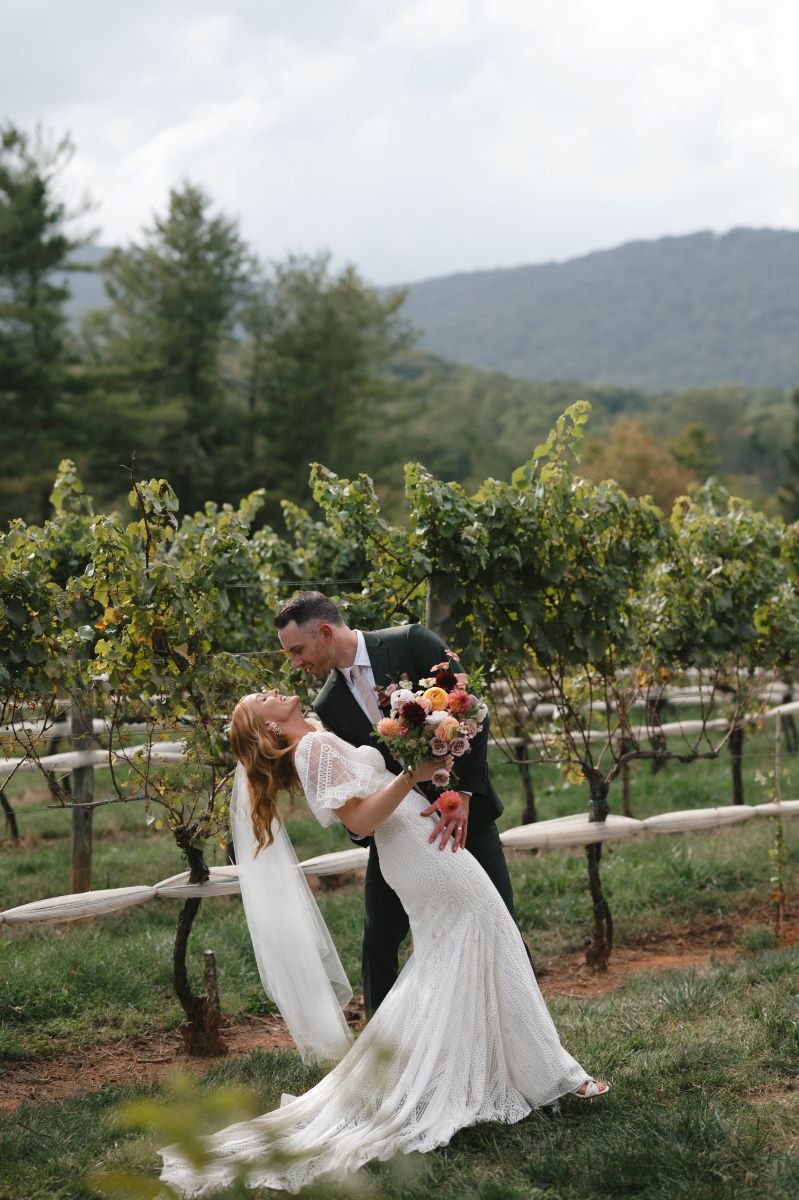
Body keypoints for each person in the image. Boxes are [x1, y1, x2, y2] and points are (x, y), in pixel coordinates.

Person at [159, 690, 608, 1196]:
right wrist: (410, 775)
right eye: (260, 699)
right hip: (416, 851)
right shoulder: (310, 750)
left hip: (422, 841)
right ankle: (549, 1073)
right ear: (271, 731)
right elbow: (360, 821)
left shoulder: (317, 739)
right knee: (481, 934)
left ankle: (519, 1070)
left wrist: (429, 779)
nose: (271, 690)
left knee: (463, 949)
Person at [275, 591, 524, 1014]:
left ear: (324, 631)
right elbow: (362, 775)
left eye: (297, 650)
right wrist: (365, 827)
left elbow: (474, 714)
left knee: (500, 922)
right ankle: (382, 1053)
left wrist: (461, 796)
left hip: (463, 820)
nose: (295, 663)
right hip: (399, 833)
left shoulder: (412, 641)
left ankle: (526, 1037)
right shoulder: (328, 703)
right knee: (378, 941)